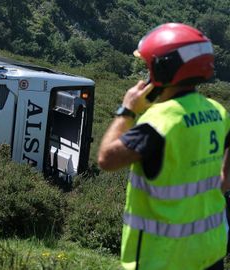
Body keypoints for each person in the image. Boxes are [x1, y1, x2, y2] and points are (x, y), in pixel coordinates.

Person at [98, 23, 230, 270]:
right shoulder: (218, 112)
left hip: (164, 259)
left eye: (150, 66)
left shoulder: (159, 121)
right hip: (209, 252)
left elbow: (106, 159)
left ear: (164, 68)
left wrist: (127, 110)